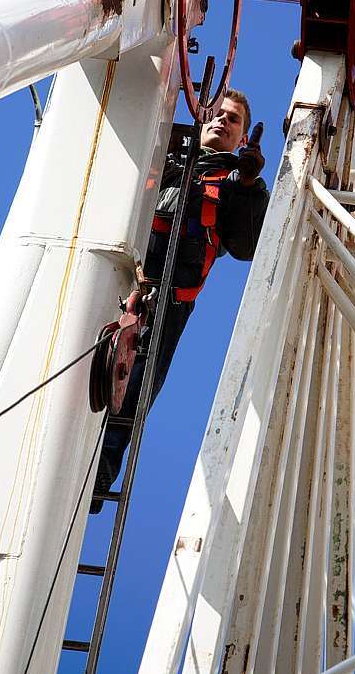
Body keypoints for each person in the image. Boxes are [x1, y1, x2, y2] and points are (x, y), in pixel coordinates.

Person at [90, 89, 269, 511]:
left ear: (242, 137)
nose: (223, 122)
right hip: (117, 277)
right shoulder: (162, 160)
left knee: (131, 394)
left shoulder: (229, 187)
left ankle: (97, 476)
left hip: (166, 305)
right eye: (218, 114)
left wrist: (246, 185)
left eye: (234, 120)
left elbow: (245, 245)